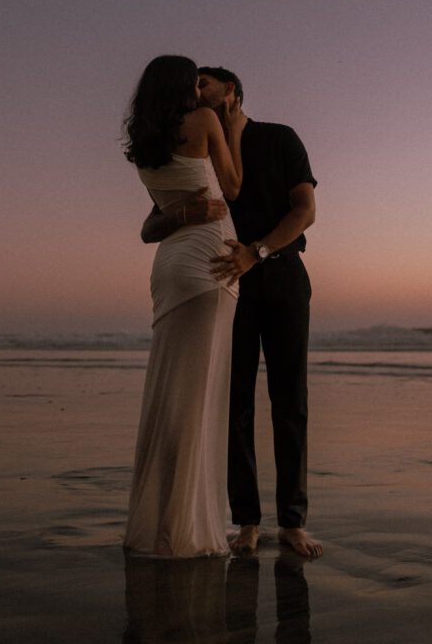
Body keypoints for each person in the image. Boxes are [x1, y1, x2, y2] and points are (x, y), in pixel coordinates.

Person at [141, 66, 322, 558]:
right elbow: (153, 220)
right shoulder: (192, 139)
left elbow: (304, 210)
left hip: (281, 275)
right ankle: (246, 522)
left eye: (205, 83)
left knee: (289, 402)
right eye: (191, 83)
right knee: (234, 404)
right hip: (222, 281)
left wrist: (256, 252)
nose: (195, 91)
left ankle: (292, 522)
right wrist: (185, 216)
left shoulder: (279, 138)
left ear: (232, 91)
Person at [122, 55, 243, 557]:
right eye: (194, 80)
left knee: (172, 395)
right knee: (198, 400)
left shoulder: (143, 144)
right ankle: (185, 528)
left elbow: (155, 221)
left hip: (170, 268)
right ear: (181, 86)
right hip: (208, 265)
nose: (200, 88)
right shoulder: (206, 120)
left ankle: (162, 518)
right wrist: (233, 128)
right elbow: (232, 187)